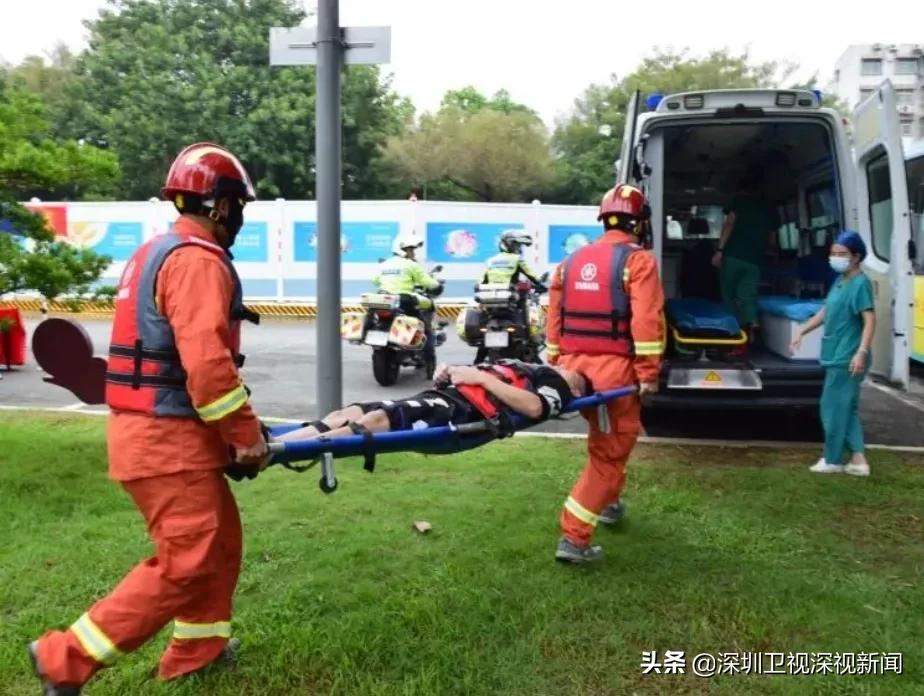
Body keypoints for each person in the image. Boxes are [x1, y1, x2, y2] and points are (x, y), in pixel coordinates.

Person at [29, 142, 269, 694]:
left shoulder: (157, 252)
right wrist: (246, 437)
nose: (240, 217)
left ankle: (197, 650)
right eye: (239, 205)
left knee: (219, 541)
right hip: (166, 442)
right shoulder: (197, 262)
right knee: (187, 560)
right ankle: (62, 657)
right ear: (219, 206)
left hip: (160, 433)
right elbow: (208, 369)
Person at [546, 184, 665, 564]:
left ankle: (610, 503)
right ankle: (574, 538)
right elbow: (647, 320)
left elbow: (554, 318)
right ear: (639, 222)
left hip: (574, 372)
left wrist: (556, 364)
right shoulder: (639, 262)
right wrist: (648, 372)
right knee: (610, 453)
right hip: (614, 375)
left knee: (606, 440)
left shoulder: (570, 262)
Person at [276, 359, 588, 443]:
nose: (566, 368)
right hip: (446, 396)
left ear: (576, 391)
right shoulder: (529, 366)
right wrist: (449, 373)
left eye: (576, 375)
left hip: (464, 412)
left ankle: (287, 449)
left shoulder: (556, 384)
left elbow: (535, 408)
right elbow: (481, 376)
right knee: (352, 411)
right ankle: (277, 441)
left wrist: (480, 379)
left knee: (376, 420)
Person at [790, 231, 875, 476]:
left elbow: (869, 321)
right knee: (847, 408)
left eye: (842, 254)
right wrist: (802, 330)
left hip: (847, 356)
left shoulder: (860, 284)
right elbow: (827, 310)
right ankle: (858, 461)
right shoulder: (841, 281)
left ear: (856, 256)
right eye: (833, 253)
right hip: (837, 352)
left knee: (832, 408)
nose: (836, 258)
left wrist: (861, 351)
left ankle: (832, 459)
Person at [713, 176, 781, 341]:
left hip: (733, 256)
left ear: (740, 190)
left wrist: (719, 250)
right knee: (748, 294)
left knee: (728, 293)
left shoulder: (737, 202)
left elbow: (729, 224)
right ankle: (752, 322)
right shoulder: (769, 208)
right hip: (754, 260)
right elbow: (772, 240)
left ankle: (733, 329)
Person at [373, 236, 443, 367]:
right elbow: (427, 282)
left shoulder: (384, 264)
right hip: (404, 300)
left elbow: (375, 280)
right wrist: (438, 286)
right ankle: (429, 360)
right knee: (425, 327)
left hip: (384, 299)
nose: (413, 253)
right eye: (410, 250)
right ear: (402, 250)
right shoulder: (411, 264)